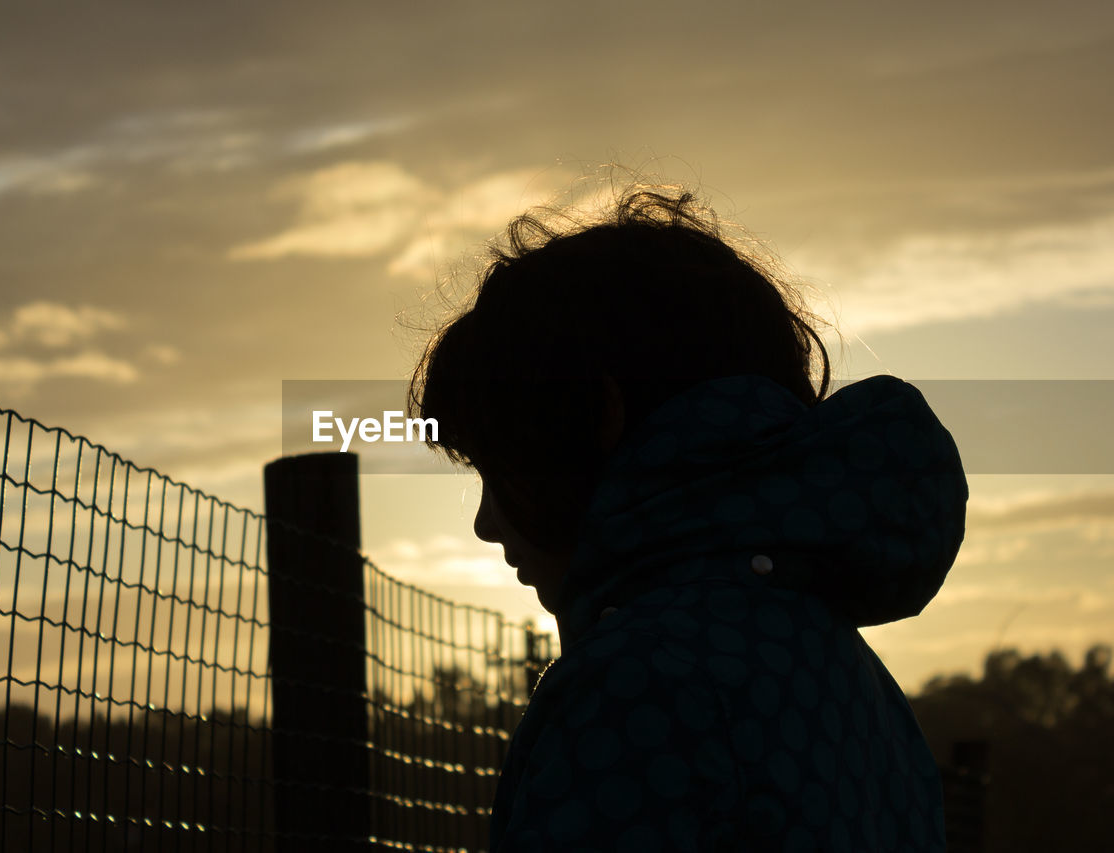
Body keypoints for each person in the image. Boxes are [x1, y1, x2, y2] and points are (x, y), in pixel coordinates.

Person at [407, 187, 969, 851]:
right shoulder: (857, 688)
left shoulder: (636, 687)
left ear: (593, 418)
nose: (486, 524)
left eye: (500, 467)